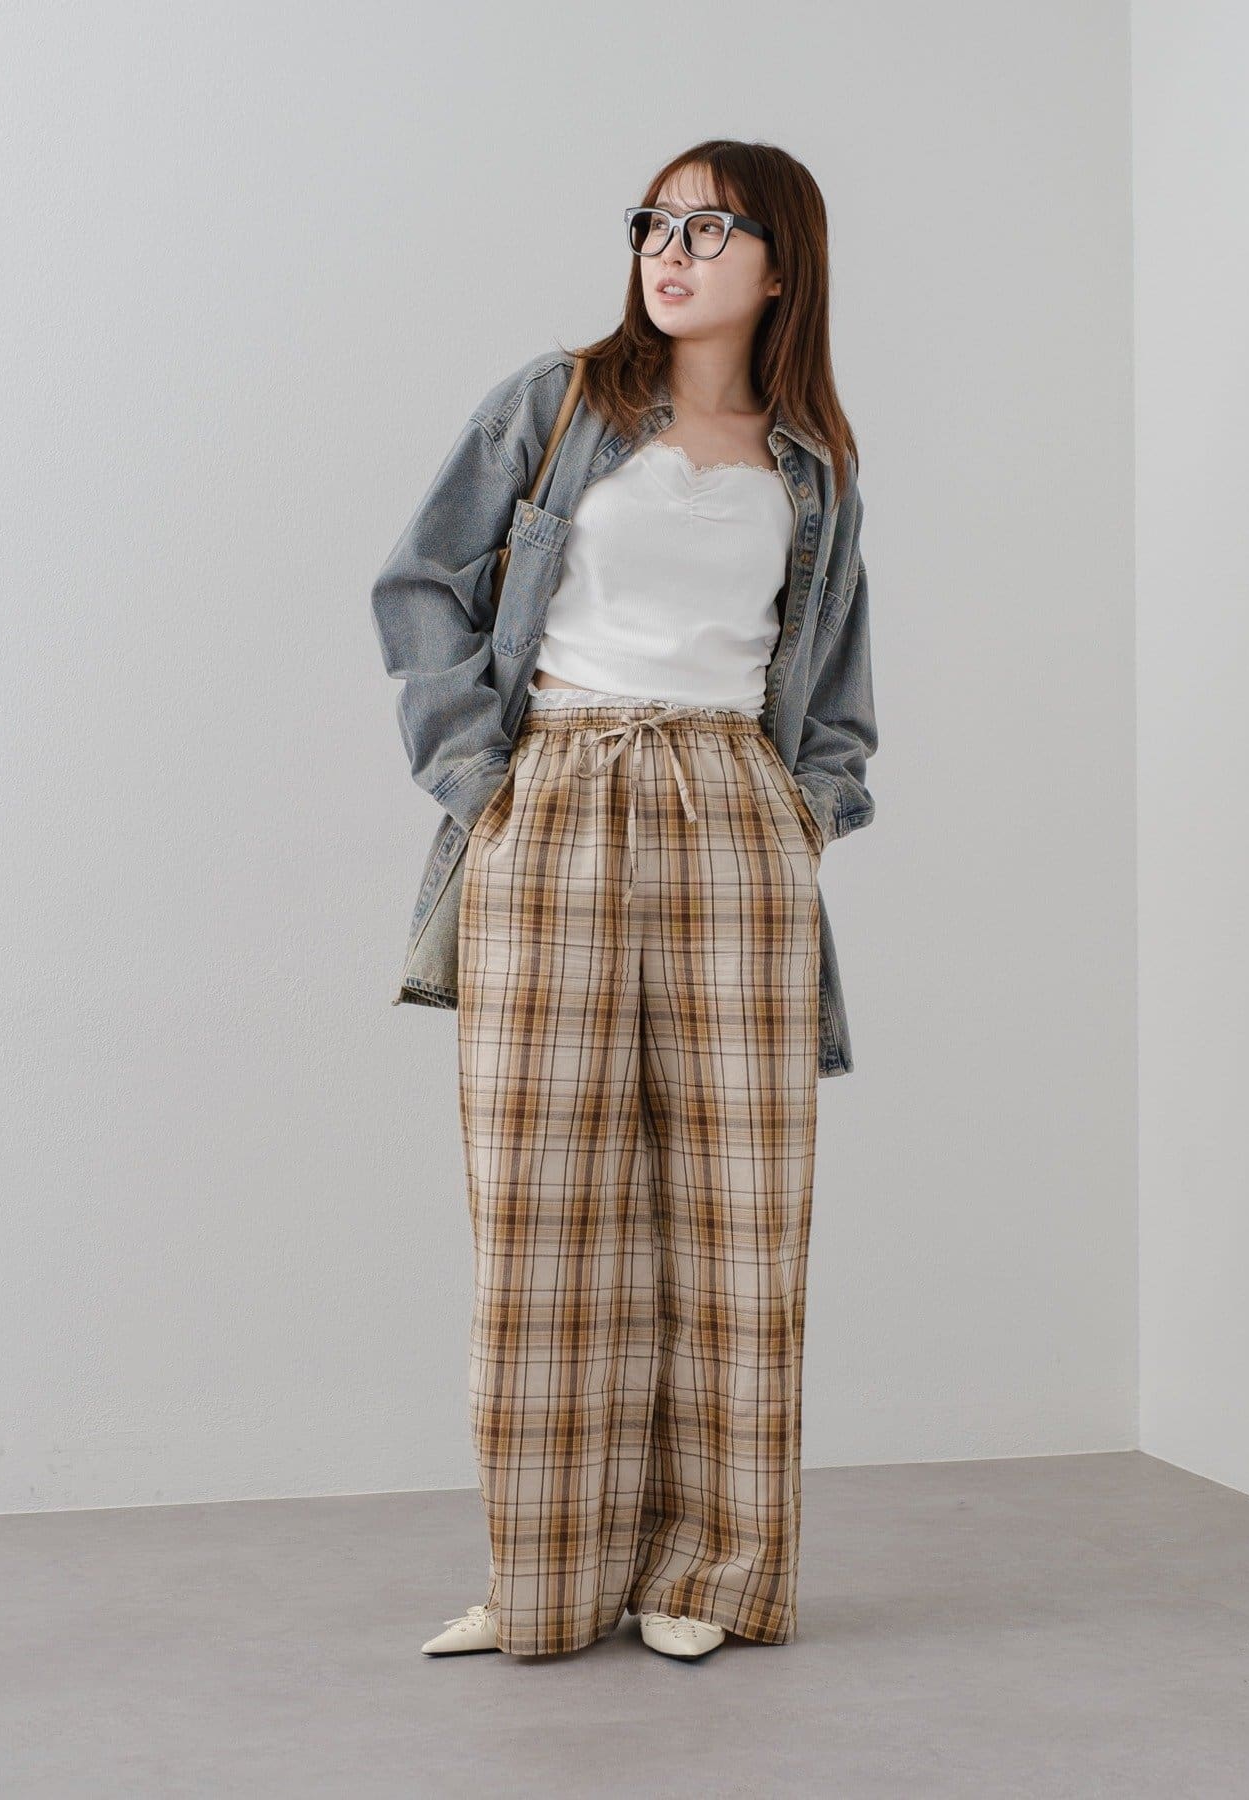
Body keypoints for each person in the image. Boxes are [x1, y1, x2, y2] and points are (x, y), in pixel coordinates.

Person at [370, 139, 878, 1661]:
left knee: (739, 1211)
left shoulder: (814, 467)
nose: (671, 249)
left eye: (711, 229)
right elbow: (421, 585)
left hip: (735, 816)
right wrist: (483, 778)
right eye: (657, 222)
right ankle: (546, 1578)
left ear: (779, 266)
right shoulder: (560, 404)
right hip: (558, 798)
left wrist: (806, 814)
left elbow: (837, 694)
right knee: (543, 1203)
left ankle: (709, 1575)